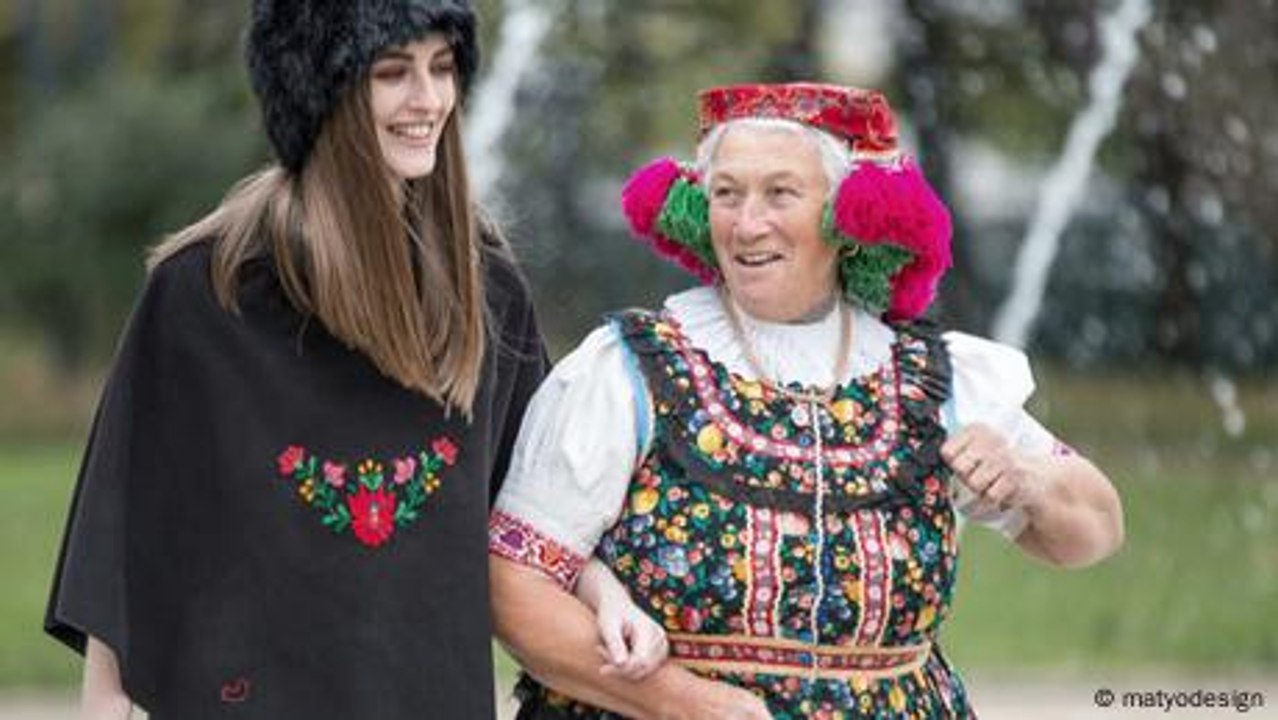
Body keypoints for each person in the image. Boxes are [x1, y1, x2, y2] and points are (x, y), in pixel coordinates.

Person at [488, 82, 1125, 719]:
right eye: (727, 194)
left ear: (843, 214)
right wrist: (681, 703)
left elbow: (1095, 531)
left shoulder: (938, 380)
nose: (747, 223)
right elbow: (513, 586)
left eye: (780, 194)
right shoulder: (627, 369)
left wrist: (1028, 482)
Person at [43, 1, 577, 717]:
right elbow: (124, 552)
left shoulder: (487, 293)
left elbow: (544, 521)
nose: (429, 100)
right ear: (321, 92)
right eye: (393, 72)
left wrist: (616, 608)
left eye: (443, 68)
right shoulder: (207, 292)